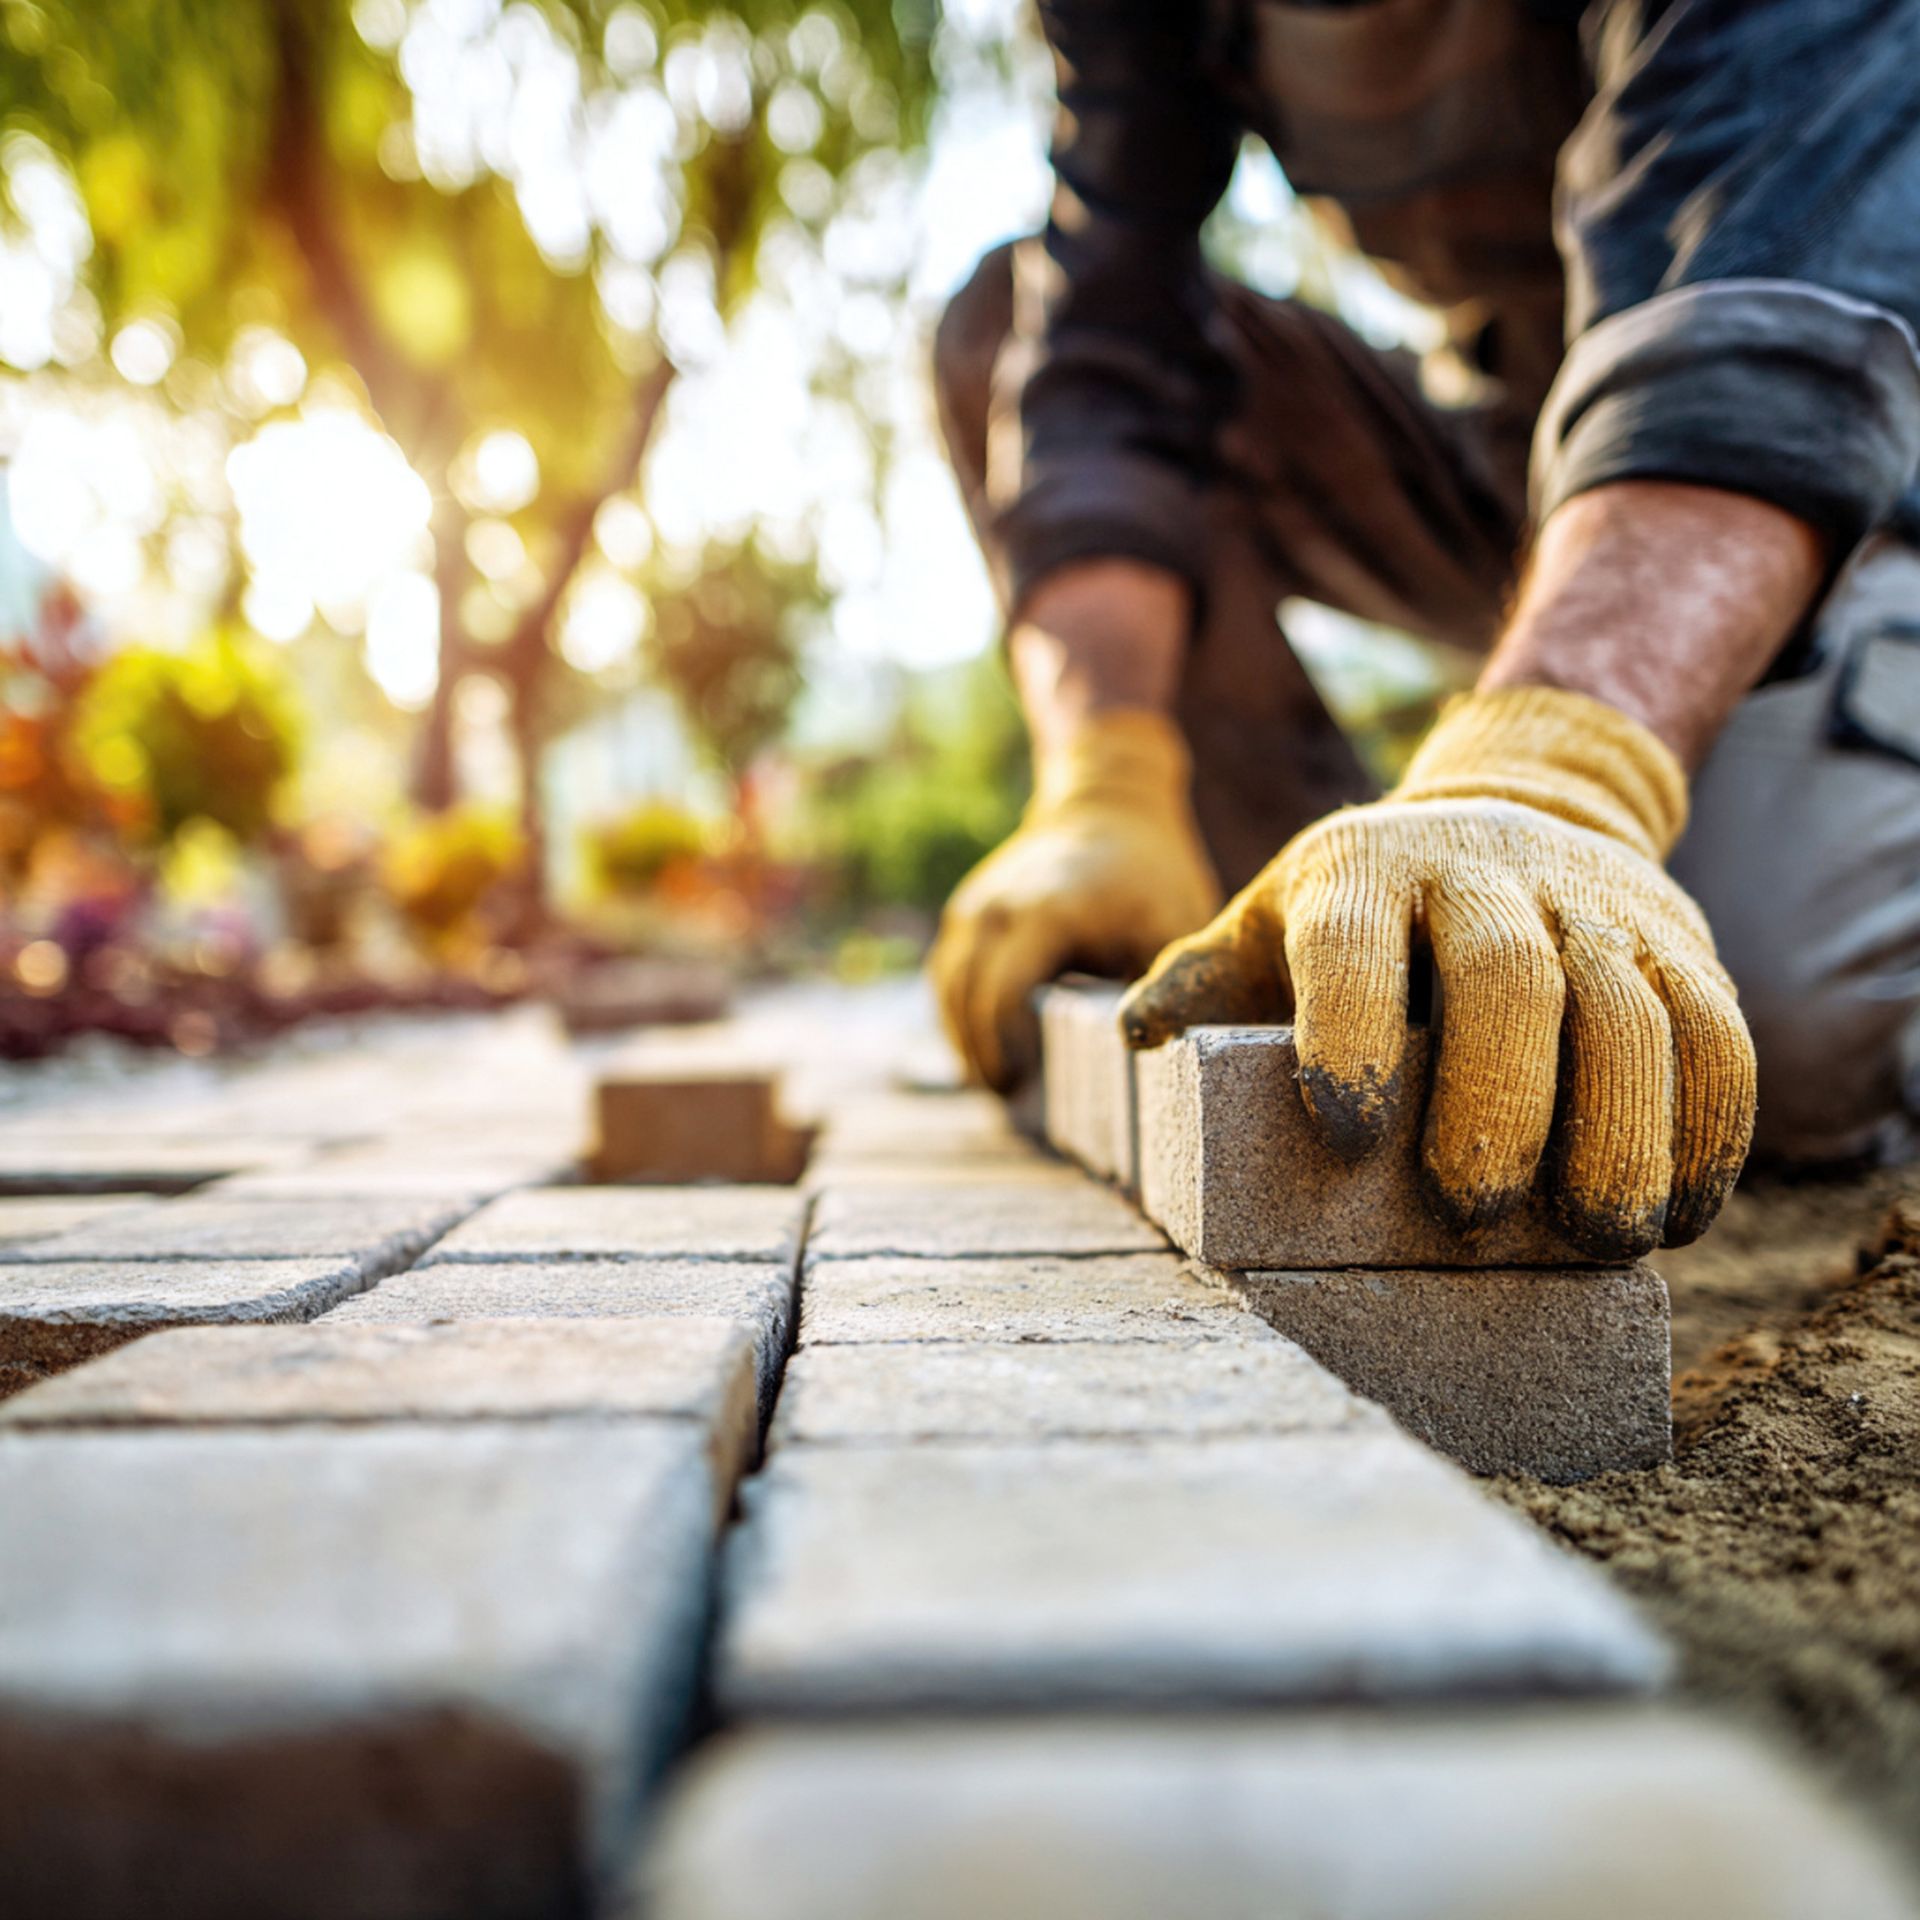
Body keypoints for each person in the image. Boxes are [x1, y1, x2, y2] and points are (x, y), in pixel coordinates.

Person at [928, 0, 1920, 1261]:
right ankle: (1372, 964)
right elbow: (1106, 352)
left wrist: (1564, 767)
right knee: (996, 327)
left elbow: (1767, 300)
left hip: (1836, 468)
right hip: (1513, 455)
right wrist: (1105, 774)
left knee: (1766, 1026)